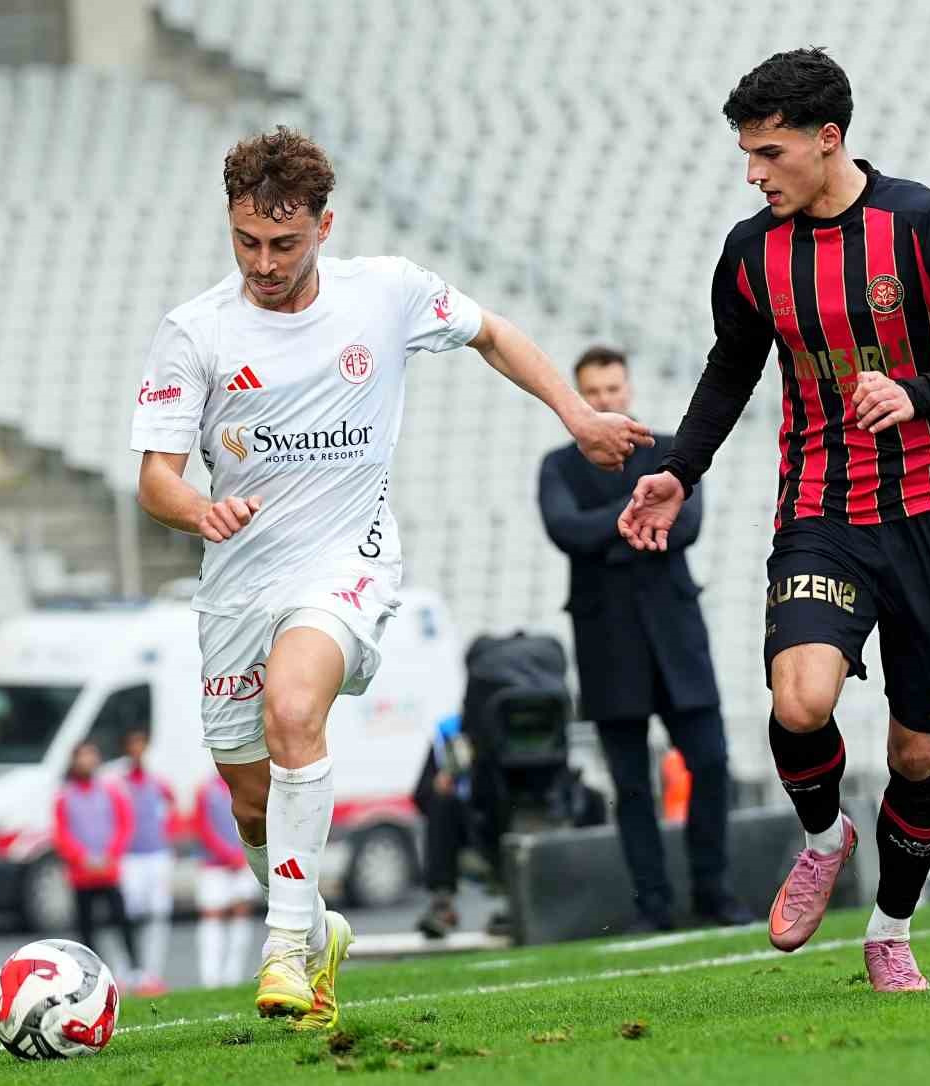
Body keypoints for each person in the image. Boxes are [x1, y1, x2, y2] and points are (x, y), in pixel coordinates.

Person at [129, 127, 649, 1027]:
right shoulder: (196, 333)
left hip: (345, 564)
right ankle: (313, 923)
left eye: (283, 243)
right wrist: (196, 510)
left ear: (326, 225)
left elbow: (495, 334)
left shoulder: (388, 294)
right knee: (251, 799)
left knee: (295, 709)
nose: (263, 261)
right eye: (246, 240)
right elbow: (155, 478)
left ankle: (286, 949)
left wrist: (575, 413)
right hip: (238, 582)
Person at [617, 48, 930, 990]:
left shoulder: (928, 223)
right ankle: (823, 837)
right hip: (820, 505)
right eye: (746, 153)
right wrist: (677, 470)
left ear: (829, 139)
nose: (754, 171)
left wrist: (921, 393)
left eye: (769, 151)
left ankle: (889, 929)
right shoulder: (750, 250)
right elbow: (731, 368)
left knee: (920, 749)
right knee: (800, 698)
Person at [539, 345, 752, 932]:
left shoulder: (669, 451)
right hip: (608, 646)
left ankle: (714, 892)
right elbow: (564, 531)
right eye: (594, 392)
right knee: (632, 786)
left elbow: (686, 522)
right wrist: (636, 516)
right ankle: (652, 906)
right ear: (579, 398)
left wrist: (607, 527)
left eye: (614, 389)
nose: (606, 400)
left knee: (711, 765)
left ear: (628, 388)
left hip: (676, 638)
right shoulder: (558, 466)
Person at [54, 740, 140, 980]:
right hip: (82, 875)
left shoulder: (110, 792)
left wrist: (111, 855)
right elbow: (61, 833)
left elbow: (125, 824)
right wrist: (82, 858)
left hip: (109, 872)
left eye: (91, 755)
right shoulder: (64, 796)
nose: (87, 761)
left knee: (122, 921)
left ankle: (134, 970)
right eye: (83, 756)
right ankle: (93, 974)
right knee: (86, 928)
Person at [117, 728, 176, 996]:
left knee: (158, 913)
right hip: (131, 856)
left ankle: (153, 973)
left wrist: (167, 837)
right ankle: (129, 970)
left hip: (157, 854)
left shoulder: (157, 782)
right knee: (130, 913)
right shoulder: (120, 784)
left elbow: (172, 809)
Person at [195, 773, 261, 987]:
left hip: (243, 862)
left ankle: (233, 974)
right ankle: (210, 977)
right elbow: (203, 827)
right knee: (212, 915)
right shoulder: (207, 790)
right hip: (214, 866)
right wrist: (226, 854)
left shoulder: (249, 785)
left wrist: (245, 852)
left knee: (241, 912)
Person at [414, 712, 476, 938]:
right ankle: (442, 904)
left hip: (503, 817)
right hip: (467, 833)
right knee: (441, 802)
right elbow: (421, 795)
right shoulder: (450, 736)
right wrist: (440, 784)